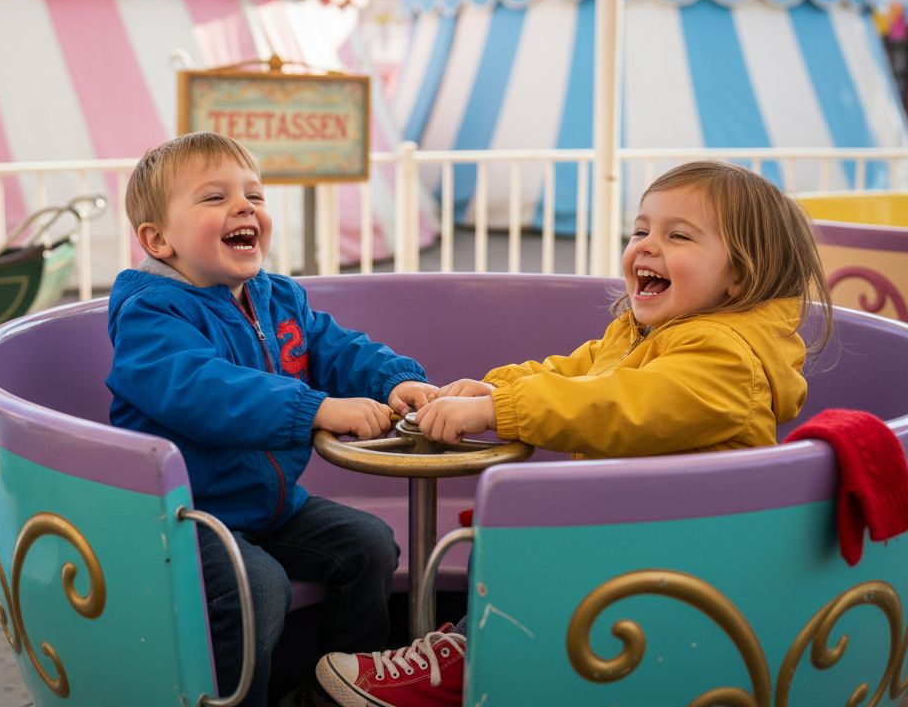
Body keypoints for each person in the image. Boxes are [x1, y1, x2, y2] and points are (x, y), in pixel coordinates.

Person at [314, 160, 834, 707]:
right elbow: (573, 372)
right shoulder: (646, 333)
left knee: (541, 557)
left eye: (677, 235)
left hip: (687, 557)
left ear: (741, 276)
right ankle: (472, 655)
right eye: (641, 231)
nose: (647, 246)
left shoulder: (726, 360)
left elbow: (617, 404)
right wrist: (488, 390)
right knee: (534, 544)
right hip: (641, 532)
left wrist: (503, 410)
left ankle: (464, 673)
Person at [105, 131, 436, 707]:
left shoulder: (276, 297)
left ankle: (337, 692)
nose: (244, 207)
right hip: (187, 516)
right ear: (158, 240)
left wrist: (395, 380)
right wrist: (316, 410)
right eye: (214, 198)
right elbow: (203, 392)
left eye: (254, 196)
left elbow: (334, 348)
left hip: (269, 506)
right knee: (256, 585)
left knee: (369, 544)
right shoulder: (151, 315)